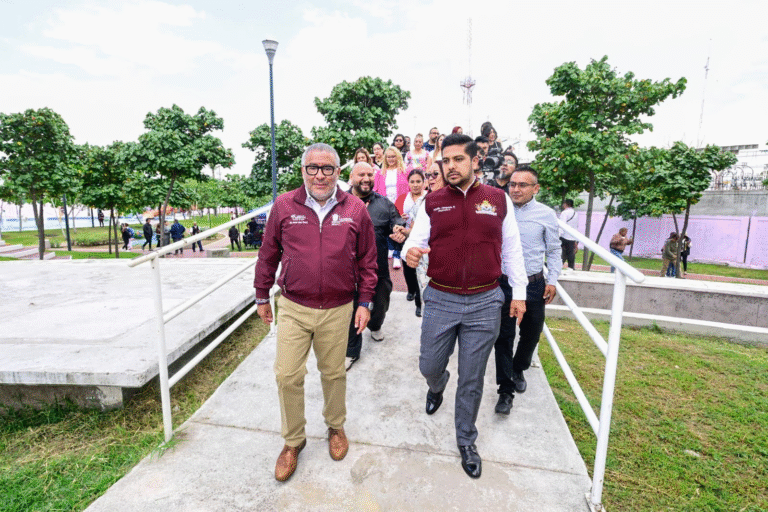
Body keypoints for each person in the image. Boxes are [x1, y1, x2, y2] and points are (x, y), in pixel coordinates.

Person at [402, 133, 527, 479]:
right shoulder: (433, 201)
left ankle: (466, 441)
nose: (451, 165)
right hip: (441, 297)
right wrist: (408, 253)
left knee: (471, 378)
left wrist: (518, 293)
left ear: (475, 161)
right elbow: (414, 242)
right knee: (429, 364)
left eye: (459, 159)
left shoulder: (498, 200)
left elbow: (513, 249)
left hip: (486, 301)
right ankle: (436, 385)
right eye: (446, 160)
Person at [254, 142, 377, 482]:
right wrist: (261, 295)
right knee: (287, 375)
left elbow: (368, 260)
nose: (319, 175)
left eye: (327, 168)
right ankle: (293, 441)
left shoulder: (355, 209)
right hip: (294, 306)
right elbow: (268, 253)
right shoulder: (284, 206)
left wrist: (365, 301)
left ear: (339, 172)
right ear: (303, 171)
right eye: (313, 168)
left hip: (339, 308)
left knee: (333, 372)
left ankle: (335, 427)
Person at [493, 165, 561, 415]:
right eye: (512, 184)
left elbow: (554, 250)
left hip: (534, 284)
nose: (516, 189)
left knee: (532, 332)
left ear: (536, 188)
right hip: (504, 283)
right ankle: (505, 390)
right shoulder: (500, 210)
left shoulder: (546, 214)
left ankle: (519, 366)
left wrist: (552, 279)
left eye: (523, 185)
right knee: (503, 336)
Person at [345, 162, 406, 370]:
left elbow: (397, 223)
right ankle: (351, 351)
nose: (366, 178)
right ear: (351, 177)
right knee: (353, 307)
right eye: (361, 174)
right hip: (348, 270)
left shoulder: (384, 204)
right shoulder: (339, 202)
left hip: (378, 267)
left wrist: (399, 231)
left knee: (380, 301)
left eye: (370, 174)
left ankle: (376, 324)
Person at [395, 169, 428, 317]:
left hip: (423, 240)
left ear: (424, 182)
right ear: (408, 183)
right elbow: (395, 218)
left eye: (418, 181)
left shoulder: (429, 198)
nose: (415, 185)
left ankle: (419, 303)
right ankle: (411, 289)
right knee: (408, 268)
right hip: (406, 238)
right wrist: (400, 221)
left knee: (420, 271)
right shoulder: (403, 198)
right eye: (412, 182)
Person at [374, 147, 409, 268]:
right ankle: (390, 248)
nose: (391, 159)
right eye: (388, 157)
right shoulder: (380, 172)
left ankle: (397, 255)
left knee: (399, 227)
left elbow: (410, 188)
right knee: (387, 226)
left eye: (393, 156)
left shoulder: (405, 171)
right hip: (385, 203)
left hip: (401, 203)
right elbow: (375, 190)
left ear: (398, 156)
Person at [559, 199, 578, 271]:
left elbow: (562, 225)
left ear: (566, 204)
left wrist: (558, 235)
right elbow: (576, 226)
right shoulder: (576, 213)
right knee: (570, 254)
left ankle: (558, 266)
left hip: (564, 236)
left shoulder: (564, 213)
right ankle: (571, 268)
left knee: (561, 252)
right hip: (572, 237)